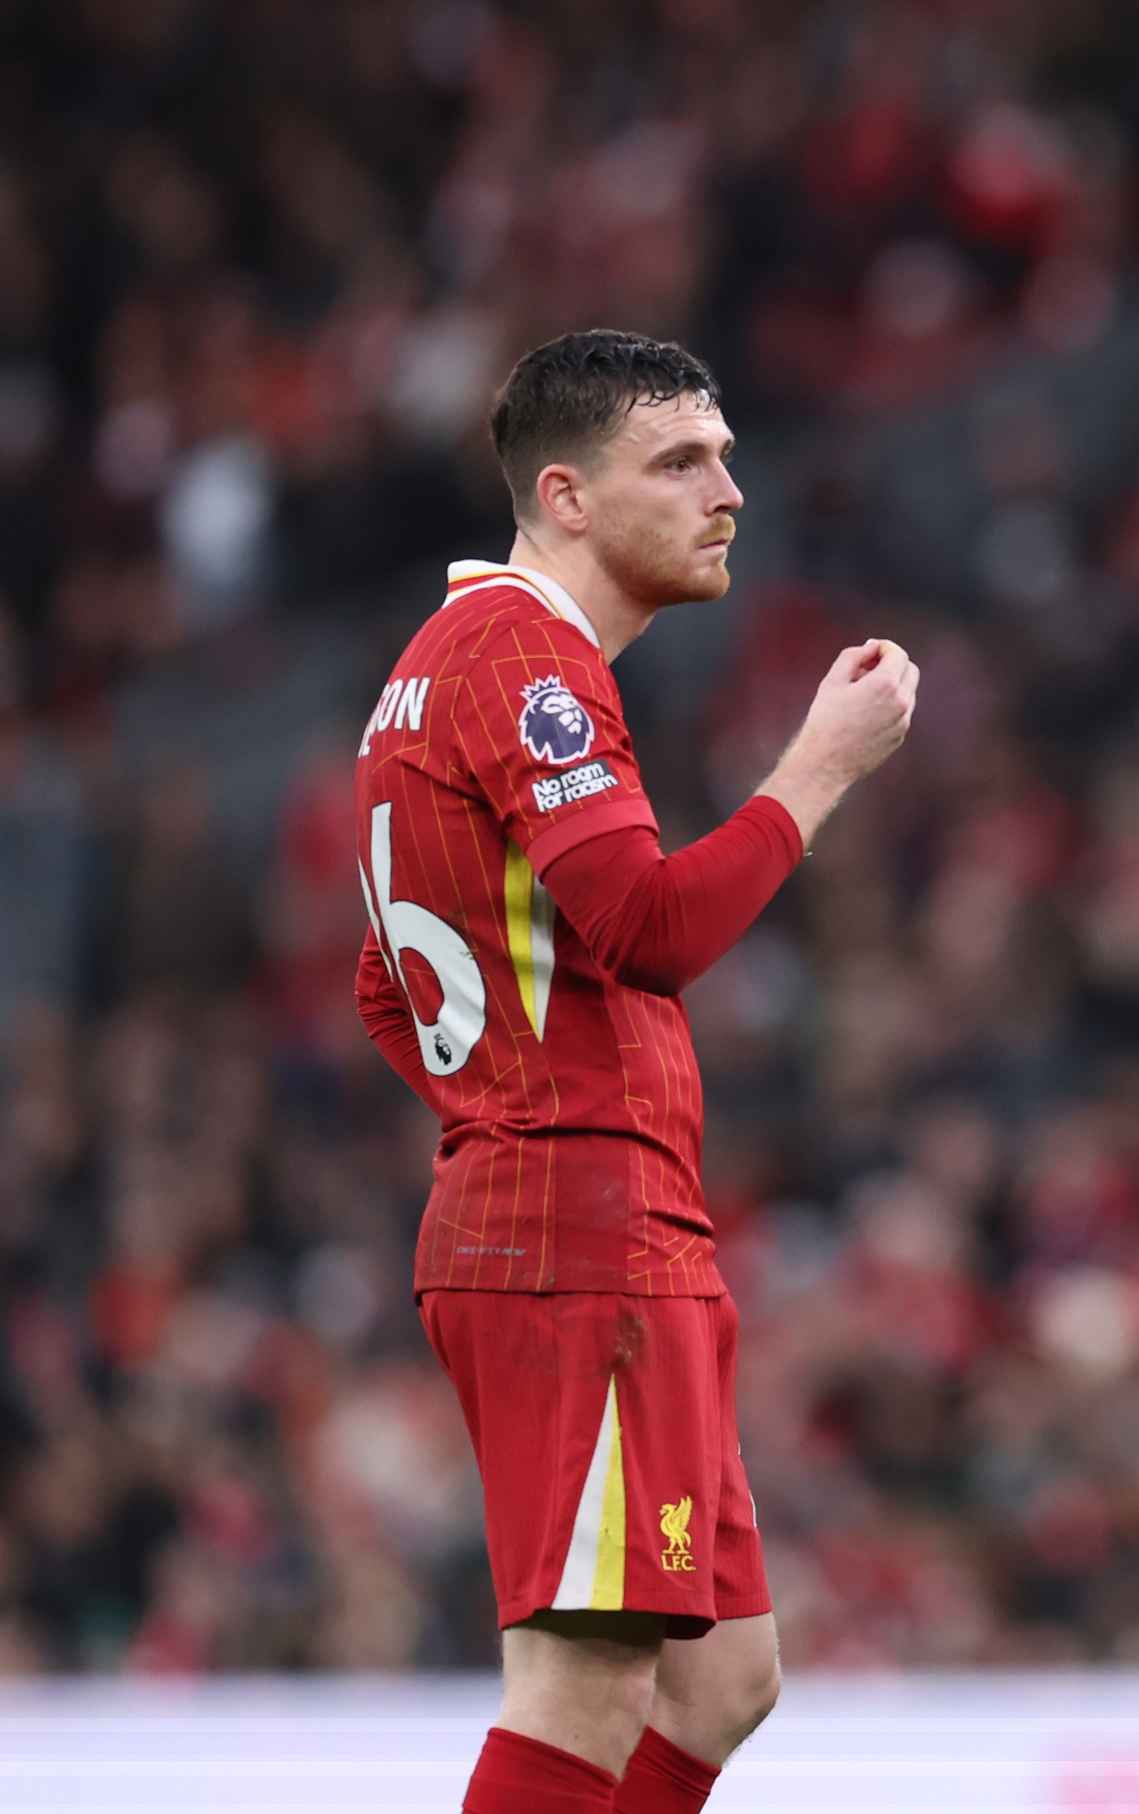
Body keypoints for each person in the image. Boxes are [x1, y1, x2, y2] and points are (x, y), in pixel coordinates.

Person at [353, 330, 918, 1814]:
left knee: (724, 1682)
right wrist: (823, 766)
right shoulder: (522, 658)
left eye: (727, 455)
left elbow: (380, 986)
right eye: (680, 461)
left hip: (597, 1220)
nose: (727, 490)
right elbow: (650, 927)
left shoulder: (439, 671)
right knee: (585, 1684)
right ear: (567, 496)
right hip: (575, 1232)